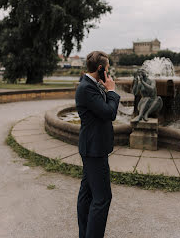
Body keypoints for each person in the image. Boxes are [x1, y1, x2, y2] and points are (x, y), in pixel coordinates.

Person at [75, 51, 120, 238]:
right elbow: (109, 113)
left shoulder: (91, 85)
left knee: (87, 194)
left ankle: (85, 234)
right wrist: (111, 91)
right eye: (107, 69)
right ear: (100, 68)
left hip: (93, 147)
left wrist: (103, 88)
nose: (109, 73)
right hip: (94, 150)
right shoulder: (86, 88)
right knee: (102, 198)